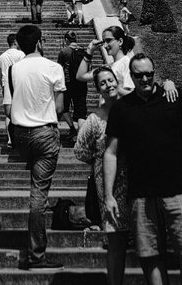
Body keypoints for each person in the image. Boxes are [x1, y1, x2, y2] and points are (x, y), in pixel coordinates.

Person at [104, 53, 182, 285]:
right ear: (131, 76)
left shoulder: (174, 98)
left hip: (179, 190)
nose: (145, 79)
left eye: (149, 74)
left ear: (155, 73)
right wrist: (108, 195)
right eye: (139, 75)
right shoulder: (122, 108)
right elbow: (110, 152)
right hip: (141, 194)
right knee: (150, 256)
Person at [3, 23, 66, 271]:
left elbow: (10, 103)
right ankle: (36, 256)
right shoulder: (54, 67)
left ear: (19, 45)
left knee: (36, 182)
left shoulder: (13, 69)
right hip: (44, 133)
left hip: (20, 136)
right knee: (38, 195)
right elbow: (60, 108)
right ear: (40, 43)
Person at [74, 66, 130, 285]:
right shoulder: (95, 120)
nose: (109, 85)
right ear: (97, 89)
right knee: (116, 241)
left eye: (111, 80)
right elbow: (80, 151)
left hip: (137, 179)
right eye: (103, 83)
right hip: (109, 185)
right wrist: (99, 163)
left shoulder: (131, 109)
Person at [57, 31, 89, 138]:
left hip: (67, 83)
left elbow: (59, 68)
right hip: (81, 83)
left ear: (66, 40)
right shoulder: (83, 51)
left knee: (65, 108)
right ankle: (80, 137)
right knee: (81, 113)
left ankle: (72, 128)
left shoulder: (64, 51)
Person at [0, 33, 25, 147]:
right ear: (15, 42)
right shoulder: (21, 54)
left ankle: (10, 138)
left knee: (8, 113)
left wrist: (2, 86)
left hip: (6, 85)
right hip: (19, 84)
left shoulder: (2, 56)